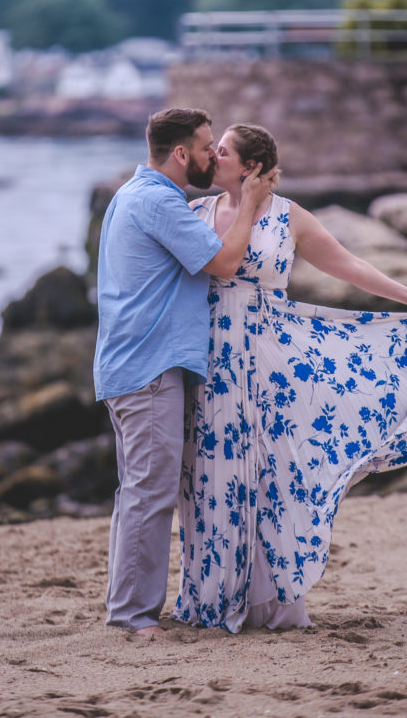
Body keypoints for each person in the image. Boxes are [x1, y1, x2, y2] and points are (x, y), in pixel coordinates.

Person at [174, 123, 407, 634]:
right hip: (212, 362)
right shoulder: (196, 213)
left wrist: (406, 296)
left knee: (276, 475)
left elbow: (347, 263)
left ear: (248, 167)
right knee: (211, 477)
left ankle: (269, 601)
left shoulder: (288, 216)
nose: (212, 157)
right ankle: (212, 595)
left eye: (222, 152)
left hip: (275, 361)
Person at [94, 108, 275, 638]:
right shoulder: (159, 201)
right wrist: (252, 205)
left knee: (137, 493)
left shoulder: (134, 194)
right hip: (150, 367)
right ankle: (131, 617)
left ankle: (127, 608)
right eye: (204, 147)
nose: (211, 156)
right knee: (150, 495)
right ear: (180, 154)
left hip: (130, 364)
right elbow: (223, 263)